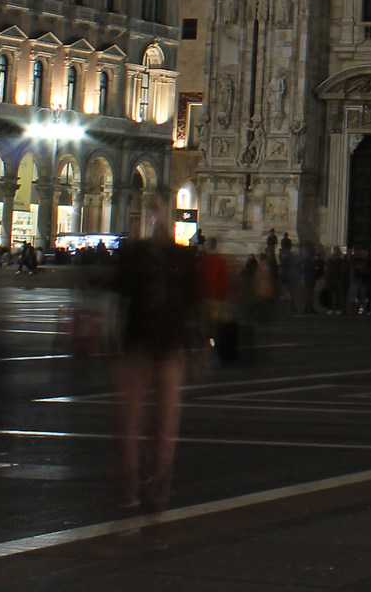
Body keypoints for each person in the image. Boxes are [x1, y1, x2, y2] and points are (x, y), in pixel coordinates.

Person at [110, 195, 201, 513]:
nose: (157, 220)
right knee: (130, 425)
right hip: (137, 347)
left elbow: (194, 304)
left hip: (168, 348)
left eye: (161, 214)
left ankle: (157, 486)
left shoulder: (182, 257)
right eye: (153, 214)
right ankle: (129, 487)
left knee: (163, 426)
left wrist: (203, 349)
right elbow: (118, 290)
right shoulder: (135, 254)